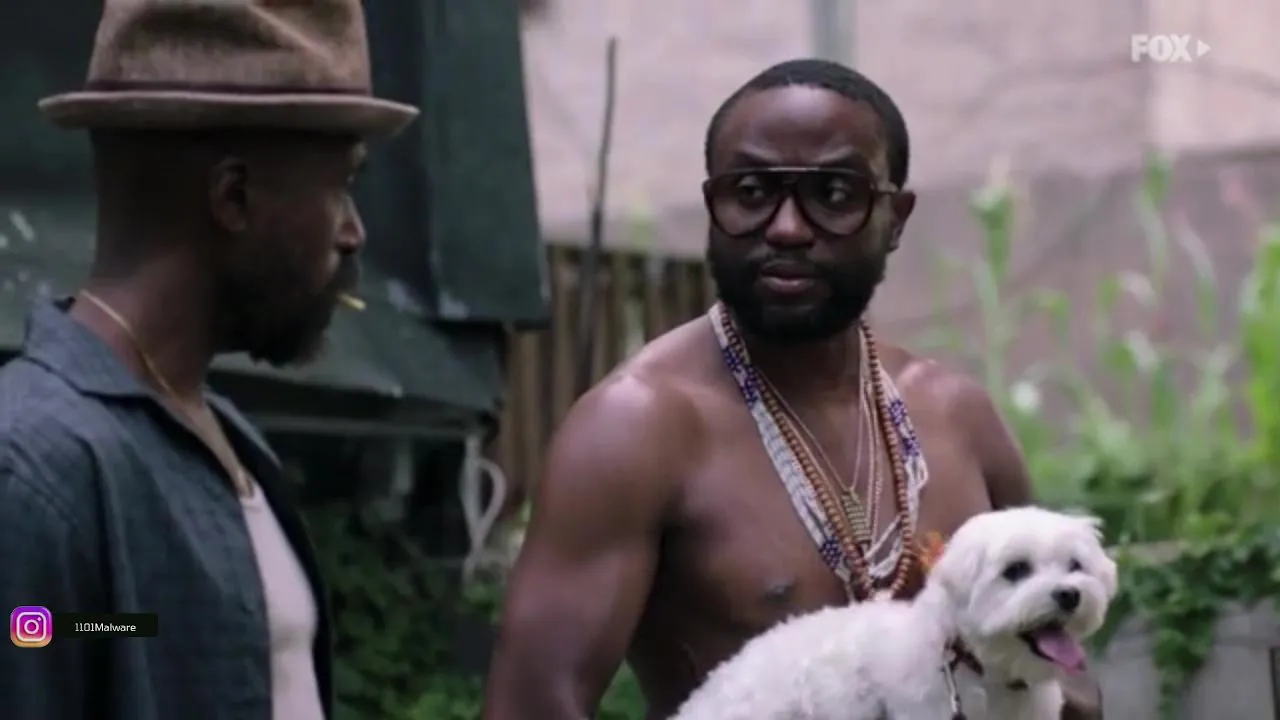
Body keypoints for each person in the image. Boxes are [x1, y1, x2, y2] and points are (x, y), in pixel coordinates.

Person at [483, 58, 1103, 720]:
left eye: (834, 194)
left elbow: (1068, 680)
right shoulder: (638, 428)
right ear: (713, 205)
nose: (786, 227)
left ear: (895, 218)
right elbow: (530, 707)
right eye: (751, 191)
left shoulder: (958, 418)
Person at [0, 1, 417, 719]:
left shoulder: (229, 440)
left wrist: (130, 626)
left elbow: (134, 631)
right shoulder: (36, 472)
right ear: (234, 196)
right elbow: (41, 636)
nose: (354, 232)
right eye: (341, 185)